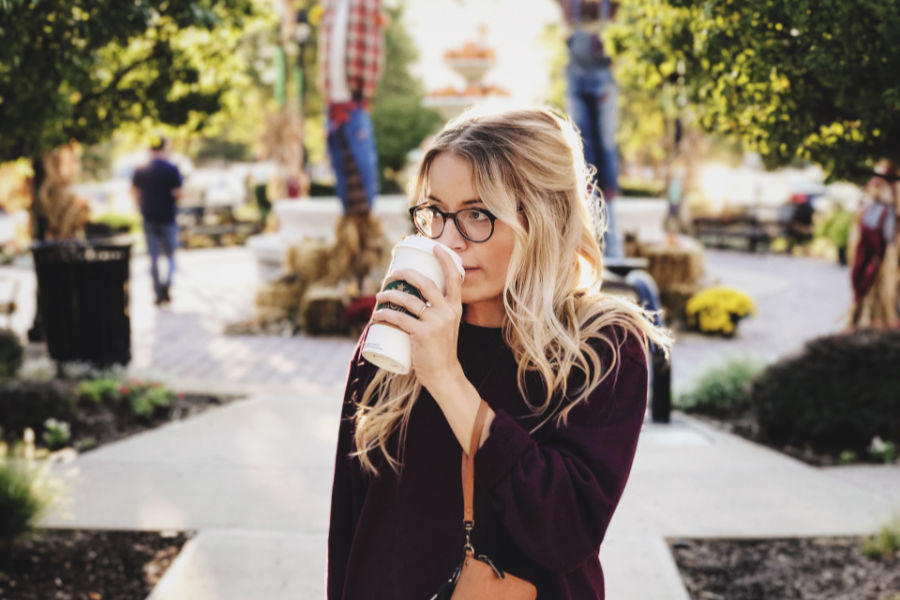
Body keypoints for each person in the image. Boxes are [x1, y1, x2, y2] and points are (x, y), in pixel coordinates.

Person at [327, 108, 670, 600]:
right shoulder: (398, 333)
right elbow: (350, 524)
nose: (447, 241)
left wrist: (447, 379)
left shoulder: (602, 347)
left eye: (477, 215)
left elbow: (564, 530)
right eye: (434, 214)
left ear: (544, 219)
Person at [559, 0, 623, 258]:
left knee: (606, 143)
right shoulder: (569, 6)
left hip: (602, 79)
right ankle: (587, 201)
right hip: (576, 78)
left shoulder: (611, 7)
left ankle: (612, 240)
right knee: (581, 144)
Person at [132, 136, 182, 306]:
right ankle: (167, 283)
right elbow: (178, 194)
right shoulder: (171, 169)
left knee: (153, 258)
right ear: (164, 148)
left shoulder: (141, 170)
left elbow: (134, 192)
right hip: (168, 217)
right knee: (171, 256)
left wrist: (141, 206)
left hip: (148, 217)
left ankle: (158, 292)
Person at [850, 169, 898, 328]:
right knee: (861, 280)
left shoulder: (886, 209)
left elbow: (888, 236)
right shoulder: (869, 208)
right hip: (868, 255)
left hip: (880, 259)